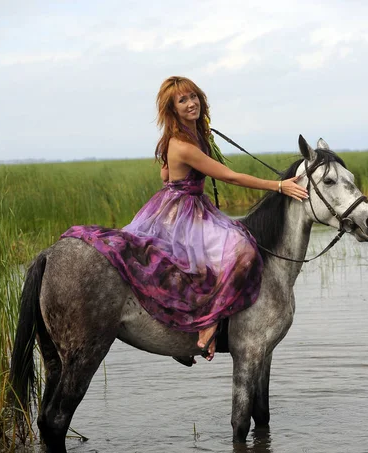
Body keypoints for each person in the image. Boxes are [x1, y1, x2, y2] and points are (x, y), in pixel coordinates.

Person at [62, 76, 307, 362]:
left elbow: (164, 175)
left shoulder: (190, 137)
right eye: (183, 101)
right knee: (242, 251)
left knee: (204, 258)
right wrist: (279, 186)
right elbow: (228, 176)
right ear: (173, 109)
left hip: (180, 205)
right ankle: (206, 326)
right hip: (183, 211)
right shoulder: (182, 144)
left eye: (194, 97)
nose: (191, 104)